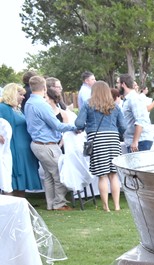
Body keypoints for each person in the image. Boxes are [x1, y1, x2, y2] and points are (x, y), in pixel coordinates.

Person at [24, 75, 77, 210]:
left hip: (37, 144)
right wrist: (75, 127)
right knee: (60, 174)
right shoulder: (42, 105)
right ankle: (59, 204)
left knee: (49, 176)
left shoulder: (29, 103)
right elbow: (57, 125)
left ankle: (51, 204)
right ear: (45, 88)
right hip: (47, 145)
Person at [75, 81, 126, 212]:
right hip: (113, 139)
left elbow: (79, 123)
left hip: (97, 140)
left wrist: (86, 126)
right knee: (113, 174)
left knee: (102, 175)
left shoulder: (87, 104)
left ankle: (106, 207)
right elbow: (124, 126)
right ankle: (117, 205)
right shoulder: (114, 105)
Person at [0, 83, 41, 196]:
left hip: (24, 149)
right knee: (12, 179)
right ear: (12, 93)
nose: (23, 97)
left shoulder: (16, 109)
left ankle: (20, 204)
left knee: (22, 180)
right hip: (13, 148)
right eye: (21, 94)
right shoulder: (3, 107)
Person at [119, 74, 153, 152]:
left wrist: (135, 141)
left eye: (118, 83)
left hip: (140, 141)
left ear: (123, 84)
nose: (117, 86)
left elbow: (140, 121)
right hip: (135, 141)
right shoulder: (129, 99)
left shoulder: (133, 98)